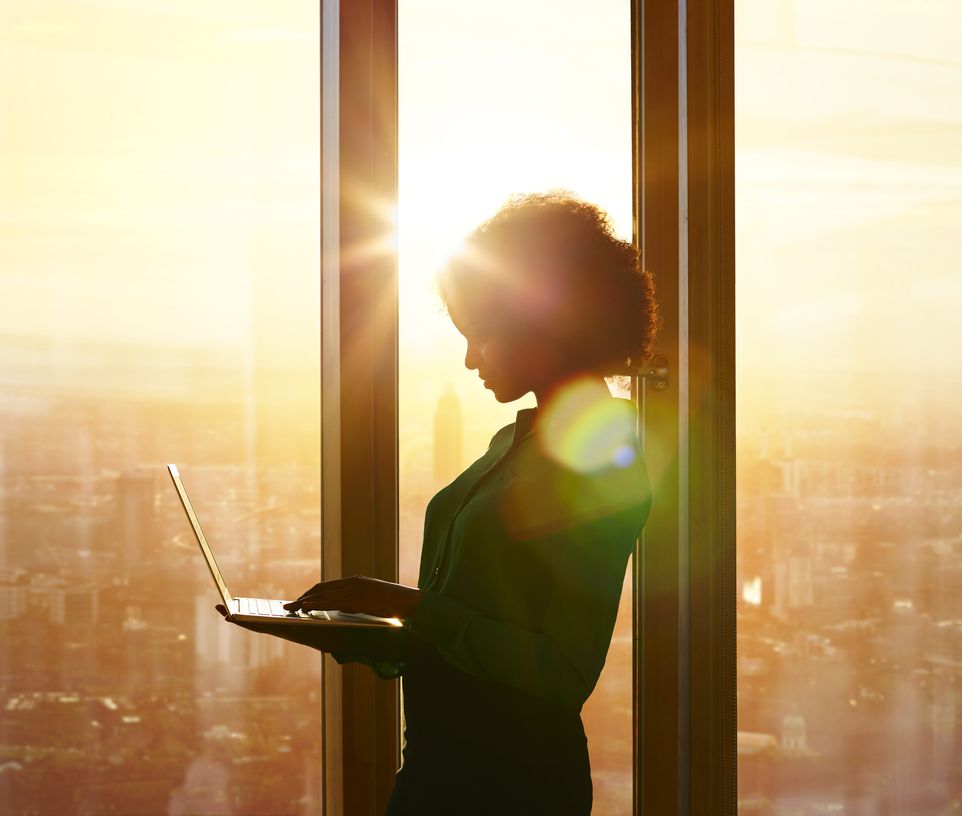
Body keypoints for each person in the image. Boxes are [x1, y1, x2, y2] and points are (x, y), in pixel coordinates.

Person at [242, 193, 657, 814]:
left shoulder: (599, 460)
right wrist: (359, 626)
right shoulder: (513, 445)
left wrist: (405, 605)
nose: (469, 360)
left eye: (481, 336)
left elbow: (562, 668)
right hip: (441, 767)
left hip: (510, 783)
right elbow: (465, 625)